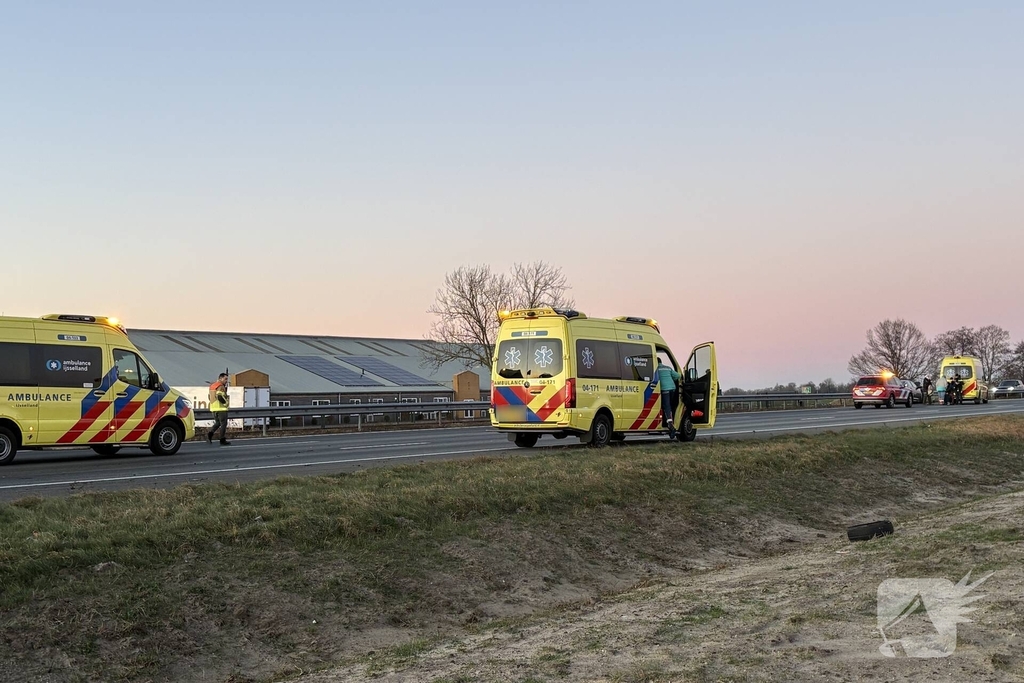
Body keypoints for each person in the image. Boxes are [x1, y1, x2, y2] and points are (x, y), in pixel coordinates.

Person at [653, 358, 682, 439]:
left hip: (664, 389)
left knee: (666, 406)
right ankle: (670, 419)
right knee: (670, 405)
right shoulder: (667, 368)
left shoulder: (656, 369)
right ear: (661, 362)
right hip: (672, 388)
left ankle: (670, 425)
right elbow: (678, 375)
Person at [207, 373, 232, 445]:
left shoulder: (212, 386)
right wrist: (225, 403)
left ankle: (210, 434)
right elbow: (219, 397)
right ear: (220, 379)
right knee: (223, 424)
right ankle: (222, 439)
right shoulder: (221, 386)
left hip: (214, 408)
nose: (226, 381)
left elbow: (209, 397)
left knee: (217, 423)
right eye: (225, 379)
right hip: (221, 409)